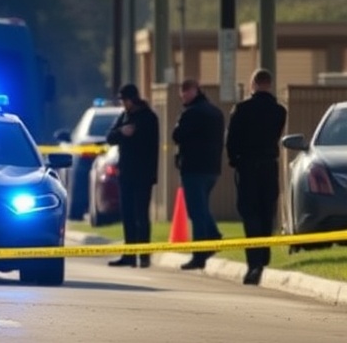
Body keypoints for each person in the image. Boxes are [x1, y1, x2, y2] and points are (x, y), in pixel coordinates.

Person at [226, 68, 287, 285]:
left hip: (248, 166)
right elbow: (276, 135)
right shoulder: (279, 111)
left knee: (250, 212)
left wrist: (234, 159)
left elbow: (231, 140)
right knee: (266, 210)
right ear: (270, 84)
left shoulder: (241, 109)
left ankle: (254, 263)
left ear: (253, 84)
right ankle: (264, 253)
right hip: (269, 166)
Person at [171, 79, 226, 270]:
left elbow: (177, 136)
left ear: (195, 91)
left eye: (186, 92)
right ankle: (213, 237)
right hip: (212, 168)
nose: (183, 96)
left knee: (196, 211)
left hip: (193, 168)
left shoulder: (191, 113)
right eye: (182, 92)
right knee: (201, 208)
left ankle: (200, 254)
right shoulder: (216, 112)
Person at [105, 83, 160, 268]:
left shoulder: (148, 117)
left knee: (141, 215)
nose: (123, 104)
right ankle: (129, 255)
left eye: (125, 100)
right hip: (126, 173)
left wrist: (133, 135)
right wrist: (122, 132)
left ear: (133, 99)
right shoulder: (124, 117)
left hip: (143, 174)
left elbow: (150, 145)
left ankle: (144, 255)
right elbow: (110, 137)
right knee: (127, 215)